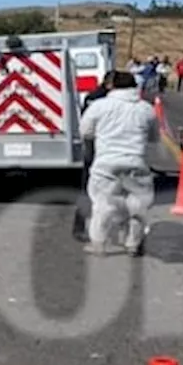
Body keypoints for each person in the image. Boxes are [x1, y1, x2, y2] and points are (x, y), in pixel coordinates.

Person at [78, 70, 160, 255]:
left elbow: (85, 131)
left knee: (102, 204)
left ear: (112, 86)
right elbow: (154, 137)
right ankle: (132, 244)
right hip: (136, 162)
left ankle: (99, 244)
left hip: (106, 162)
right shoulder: (146, 109)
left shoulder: (99, 106)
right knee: (138, 205)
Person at [73, 71, 116, 242]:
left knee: (89, 189)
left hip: (92, 146)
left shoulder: (92, 97)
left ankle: (80, 226)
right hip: (102, 147)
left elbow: (85, 126)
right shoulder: (106, 101)